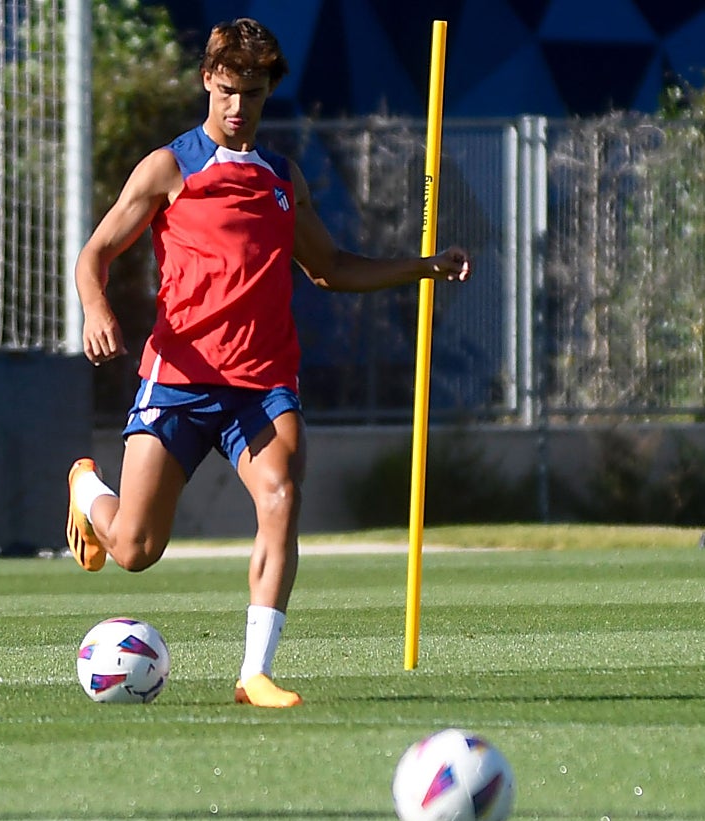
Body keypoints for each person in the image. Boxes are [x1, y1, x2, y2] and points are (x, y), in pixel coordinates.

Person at [66, 17, 470, 708]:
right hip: (179, 381)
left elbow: (331, 268)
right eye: (225, 90)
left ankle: (255, 673)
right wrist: (97, 308)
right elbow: (95, 252)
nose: (236, 107)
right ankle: (83, 489)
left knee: (281, 497)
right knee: (134, 548)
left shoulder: (283, 179)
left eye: (250, 94)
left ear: (267, 92)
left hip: (263, 384)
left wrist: (421, 267)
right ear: (206, 81)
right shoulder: (170, 168)